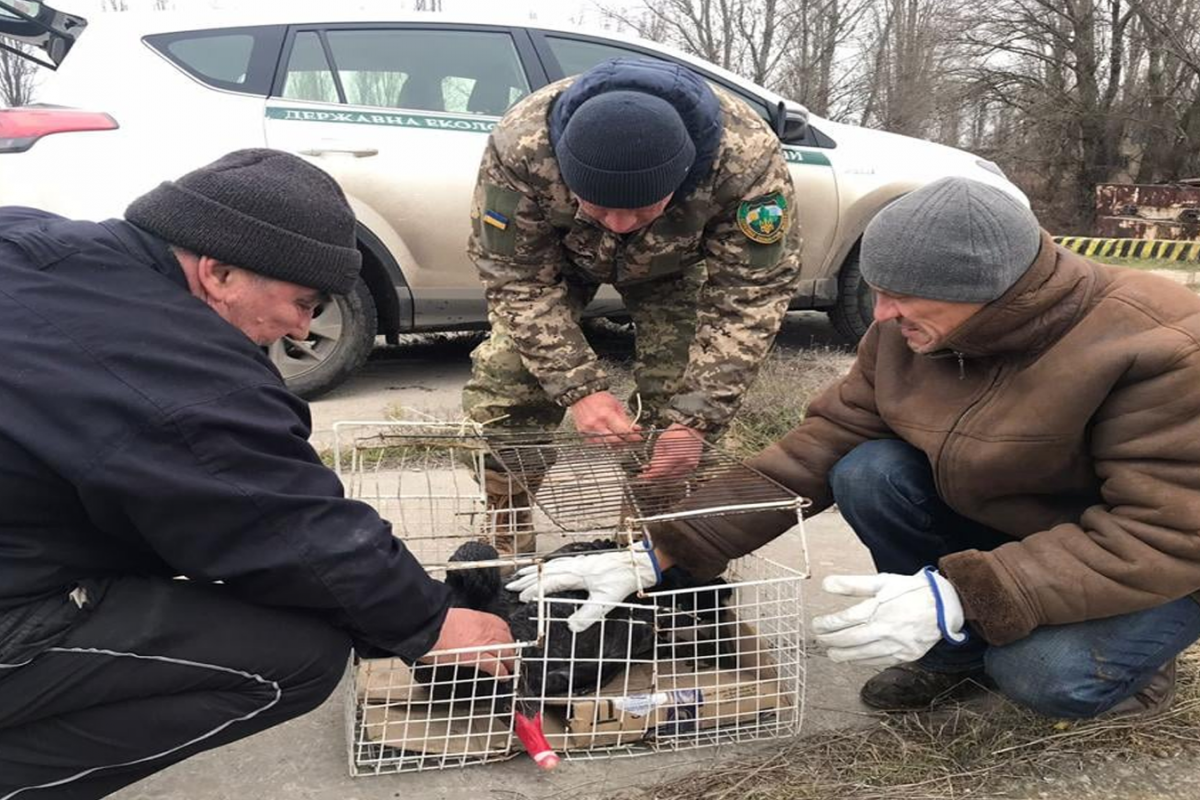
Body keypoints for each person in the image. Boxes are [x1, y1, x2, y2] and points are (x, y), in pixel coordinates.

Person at [521, 176, 1200, 718]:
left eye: (903, 299)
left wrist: (968, 591)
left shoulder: (1161, 347)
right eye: (878, 293)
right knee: (867, 469)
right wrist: (661, 551)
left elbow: (1168, 530)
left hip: (1152, 556)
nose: (880, 318)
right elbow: (818, 448)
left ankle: (1135, 665)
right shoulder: (911, 331)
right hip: (1021, 526)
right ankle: (950, 651)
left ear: (992, 296)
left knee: (1043, 676)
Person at [0, 149, 514, 799]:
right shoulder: (181, 368)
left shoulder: (30, 240)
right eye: (303, 302)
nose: (303, 326)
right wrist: (433, 623)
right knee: (298, 658)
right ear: (218, 271)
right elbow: (289, 526)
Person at [462, 57, 802, 554]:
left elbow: (750, 296)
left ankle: (651, 547)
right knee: (507, 385)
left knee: (680, 412)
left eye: (641, 208)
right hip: (560, 257)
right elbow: (516, 278)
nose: (619, 224)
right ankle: (506, 524)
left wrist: (696, 421)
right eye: (598, 205)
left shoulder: (744, 160)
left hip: (676, 262)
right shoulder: (522, 146)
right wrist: (580, 390)